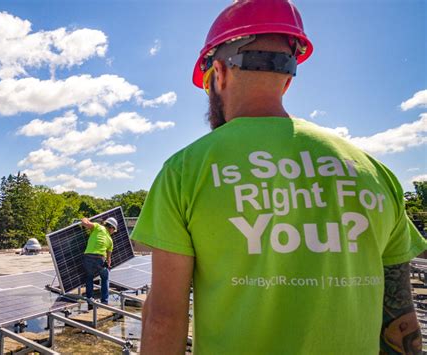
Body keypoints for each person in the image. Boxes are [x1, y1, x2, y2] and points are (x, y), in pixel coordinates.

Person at [131, 0, 427, 353]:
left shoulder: (184, 171)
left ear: (219, 73)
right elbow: (400, 320)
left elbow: (164, 316)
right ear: (287, 80)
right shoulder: (373, 172)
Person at [81, 216, 117, 309]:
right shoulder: (110, 241)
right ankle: (104, 301)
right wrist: (107, 266)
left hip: (87, 257)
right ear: (111, 228)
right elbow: (109, 260)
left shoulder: (98, 227)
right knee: (105, 277)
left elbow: (85, 223)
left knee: (89, 277)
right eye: (114, 230)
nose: (113, 232)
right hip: (100, 258)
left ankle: (90, 300)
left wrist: (85, 218)